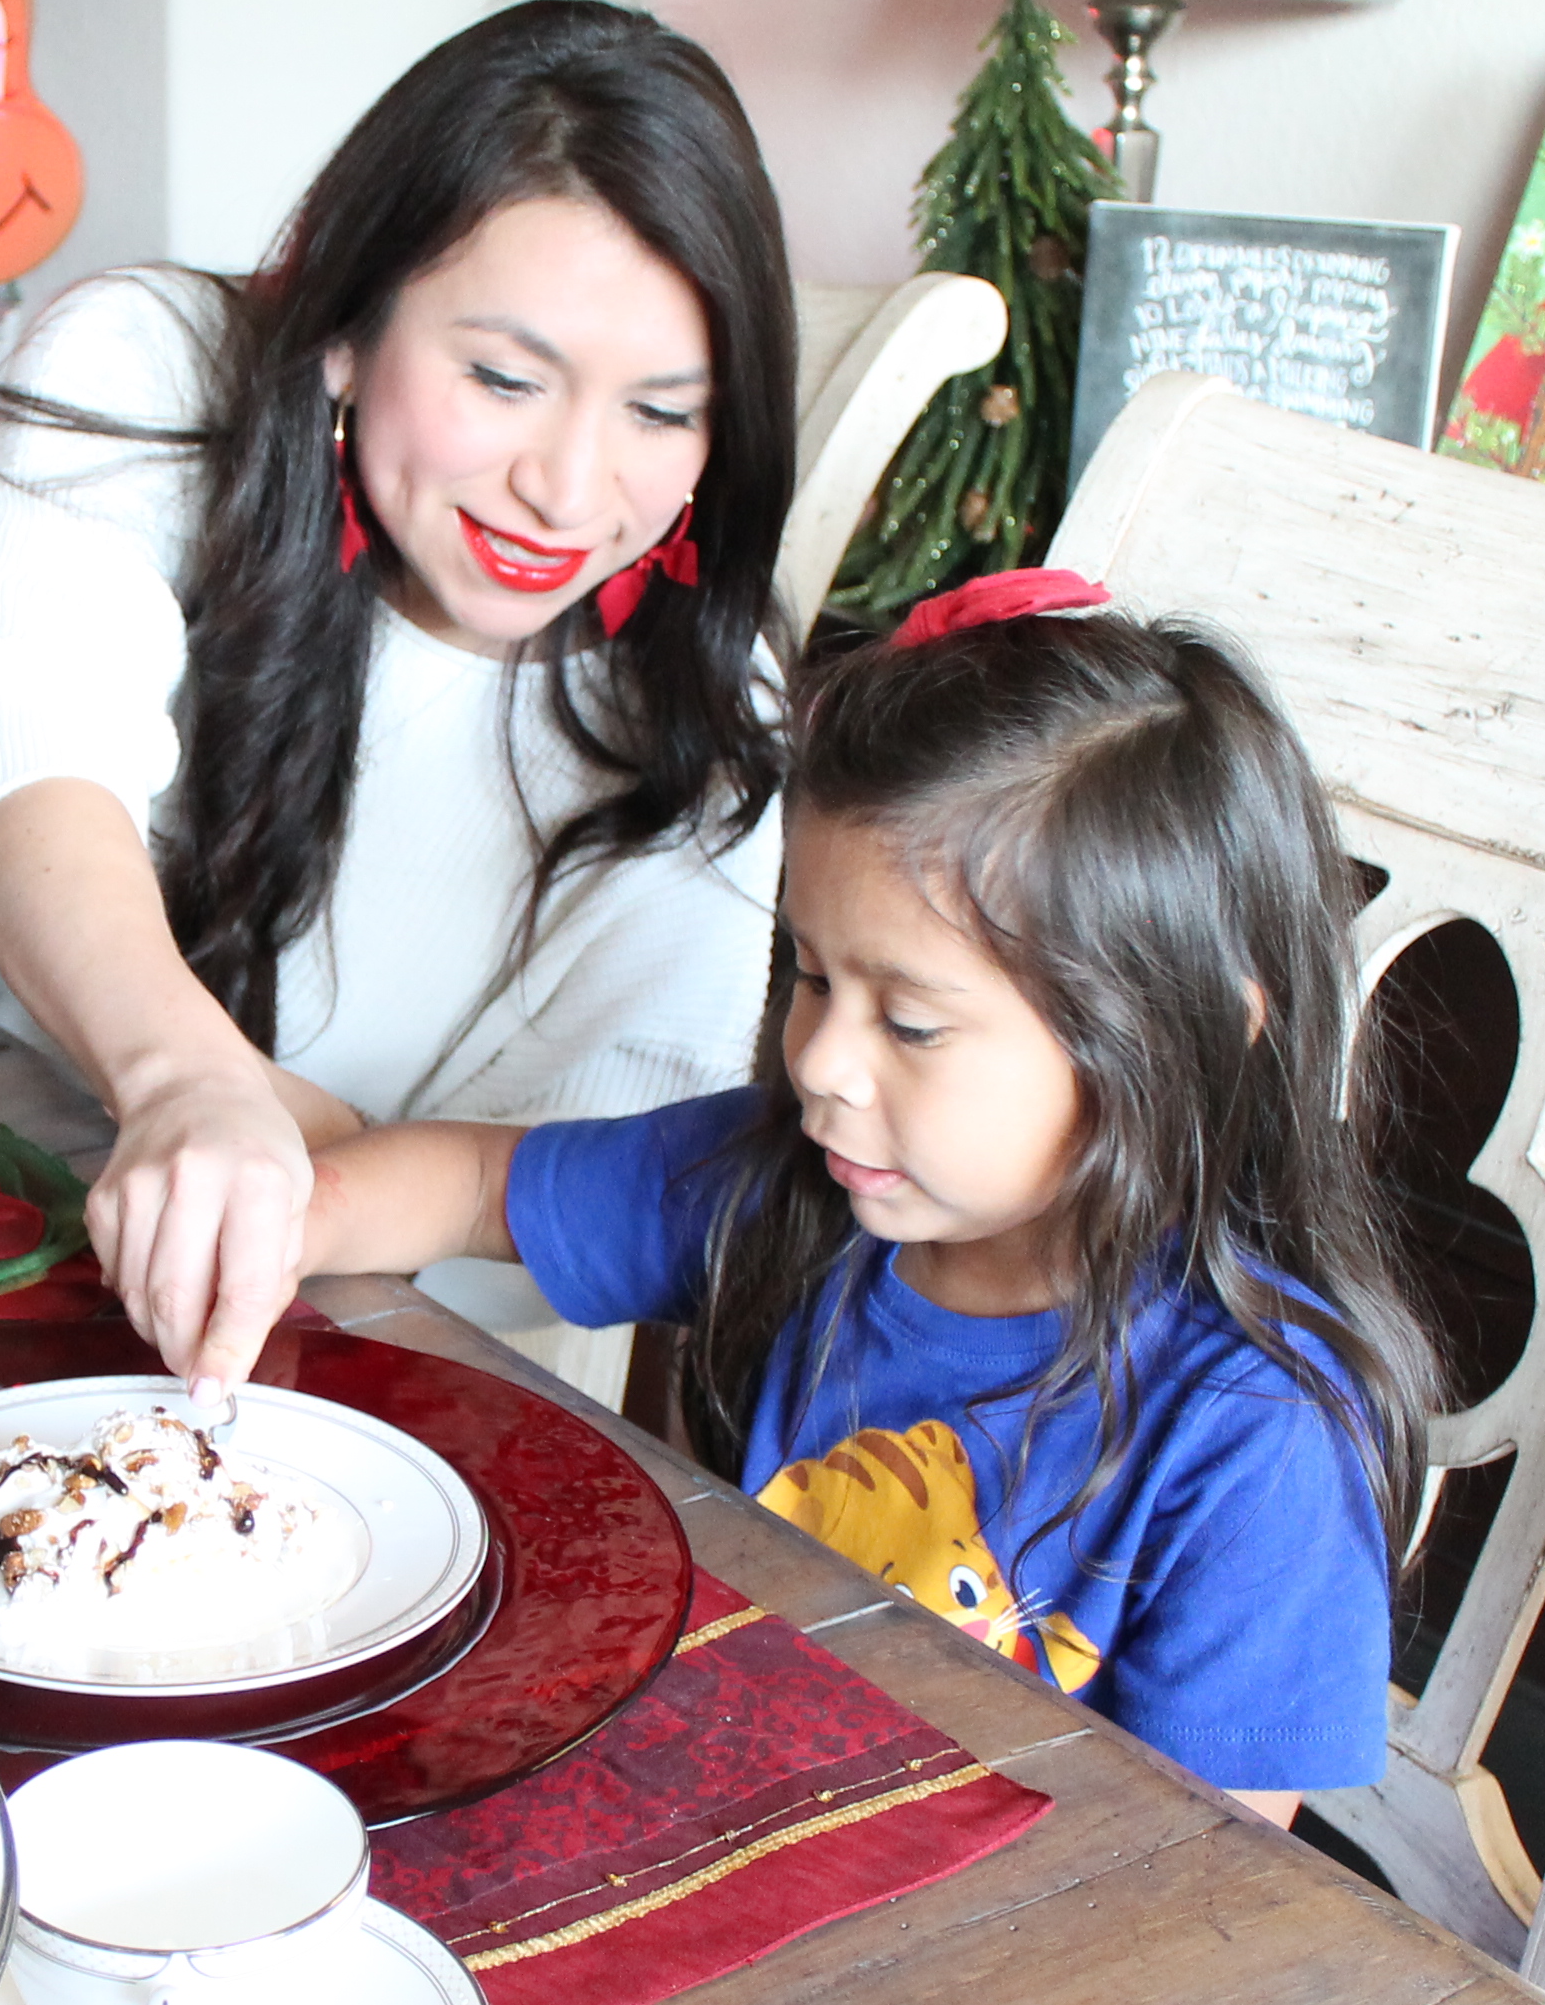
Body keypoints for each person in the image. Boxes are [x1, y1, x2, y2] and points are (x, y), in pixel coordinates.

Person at [288, 577, 1439, 1817]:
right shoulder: (792, 1188)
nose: (822, 1062)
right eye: (808, 972)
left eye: (911, 1020)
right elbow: (466, 1186)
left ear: (1189, 1030)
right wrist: (283, 1211)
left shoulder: (1257, 1436)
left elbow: (1208, 1894)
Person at [0, 0, 796, 1394]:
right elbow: (29, 757)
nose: (565, 490)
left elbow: (600, 1178)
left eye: (662, 413)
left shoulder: (710, 702)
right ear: (344, 331)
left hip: (375, 1384)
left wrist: (265, 1156)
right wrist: (189, 1083)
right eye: (503, 378)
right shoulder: (147, 371)